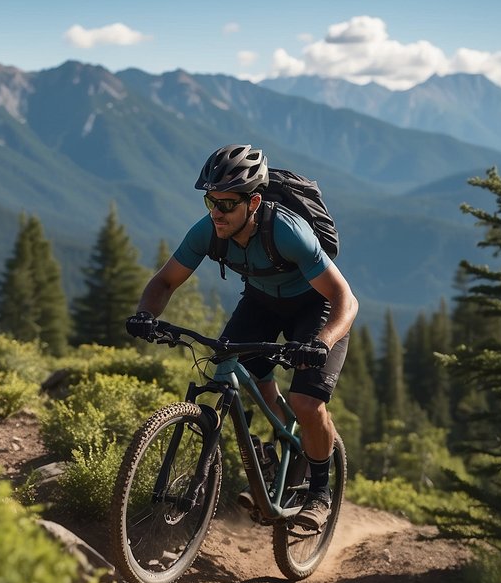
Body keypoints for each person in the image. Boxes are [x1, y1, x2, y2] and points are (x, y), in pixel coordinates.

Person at [126, 144, 358, 531]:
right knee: (227, 365)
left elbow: (344, 299)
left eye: (227, 204)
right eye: (210, 202)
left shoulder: (287, 232)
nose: (217, 213)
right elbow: (165, 281)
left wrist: (323, 341)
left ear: (253, 203)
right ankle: (272, 452)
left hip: (316, 307)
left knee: (305, 400)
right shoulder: (208, 232)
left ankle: (319, 492)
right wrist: (146, 315)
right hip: (262, 302)